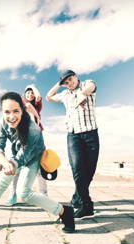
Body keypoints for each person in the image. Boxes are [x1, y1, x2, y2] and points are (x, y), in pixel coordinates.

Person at [0, 91, 75, 234]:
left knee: (23, 193)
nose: (11, 117)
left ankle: (64, 211)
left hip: (34, 157)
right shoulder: (3, 122)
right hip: (16, 155)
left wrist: (5, 165)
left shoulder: (33, 129)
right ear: (2, 112)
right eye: (7, 112)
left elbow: (23, 158)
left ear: (22, 111)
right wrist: (3, 162)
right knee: (1, 183)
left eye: (16, 111)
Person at [46, 70, 99, 219]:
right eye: (66, 82)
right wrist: (59, 83)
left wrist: (81, 95)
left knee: (89, 171)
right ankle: (86, 205)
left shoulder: (86, 84)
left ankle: (77, 197)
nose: (69, 83)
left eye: (70, 79)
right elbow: (49, 97)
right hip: (73, 135)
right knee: (77, 168)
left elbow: (92, 86)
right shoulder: (64, 95)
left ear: (75, 76)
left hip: (91, 134)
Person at [4, 84, 47, 206]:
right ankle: (12, 195)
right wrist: (38, 117)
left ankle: (44, 195)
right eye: (28, 93)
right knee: (16, 168)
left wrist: (34, 87)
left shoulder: (37, 106)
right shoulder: (21, 106)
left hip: (36, 140)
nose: (30, 95)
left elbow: (38, 97)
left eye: (32, 93)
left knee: (40, 168)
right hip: (21, 138)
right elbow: (26, 105)